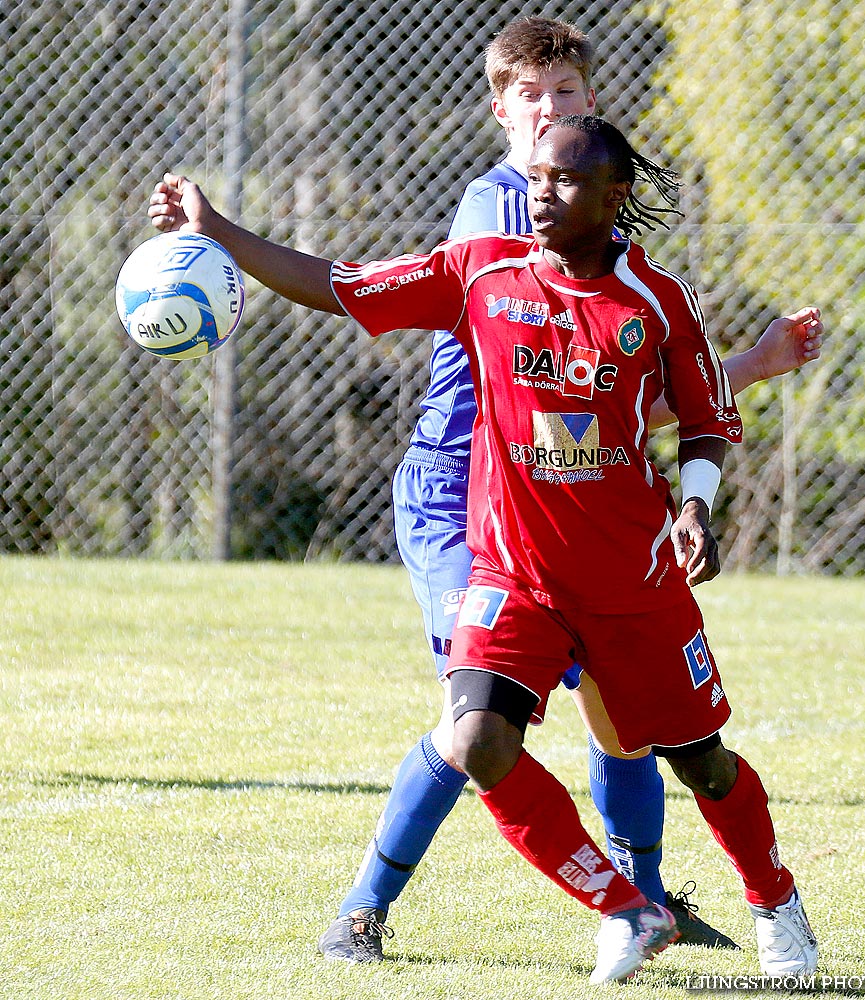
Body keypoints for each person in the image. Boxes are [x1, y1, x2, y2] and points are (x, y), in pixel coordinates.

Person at [147, 112, 819, 985]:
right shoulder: (480, 273)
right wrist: (218, 231)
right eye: (535, 177)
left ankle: (776, 906)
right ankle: (624, 908)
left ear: (615, 198)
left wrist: (694, 508)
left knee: (702, 764)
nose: (541, 194)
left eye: (566, 181)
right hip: (516, 575)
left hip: (633, 580)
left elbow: (703, 417)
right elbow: (338, 283)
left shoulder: (656, 302)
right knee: (478, 741)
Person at [308, 16, 820, 964]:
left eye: (569, 95)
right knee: (474, 721)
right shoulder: (499, 216)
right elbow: (548, 390)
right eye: (531, 98)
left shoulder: (610, 240)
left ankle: (643, 903)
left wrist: (740, 365)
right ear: (501, 110)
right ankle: (364, 907)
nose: (551, 111)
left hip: (573, 502)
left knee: (620, 721)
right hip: (465, 488)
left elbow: (613, 406)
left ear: (593, 107)